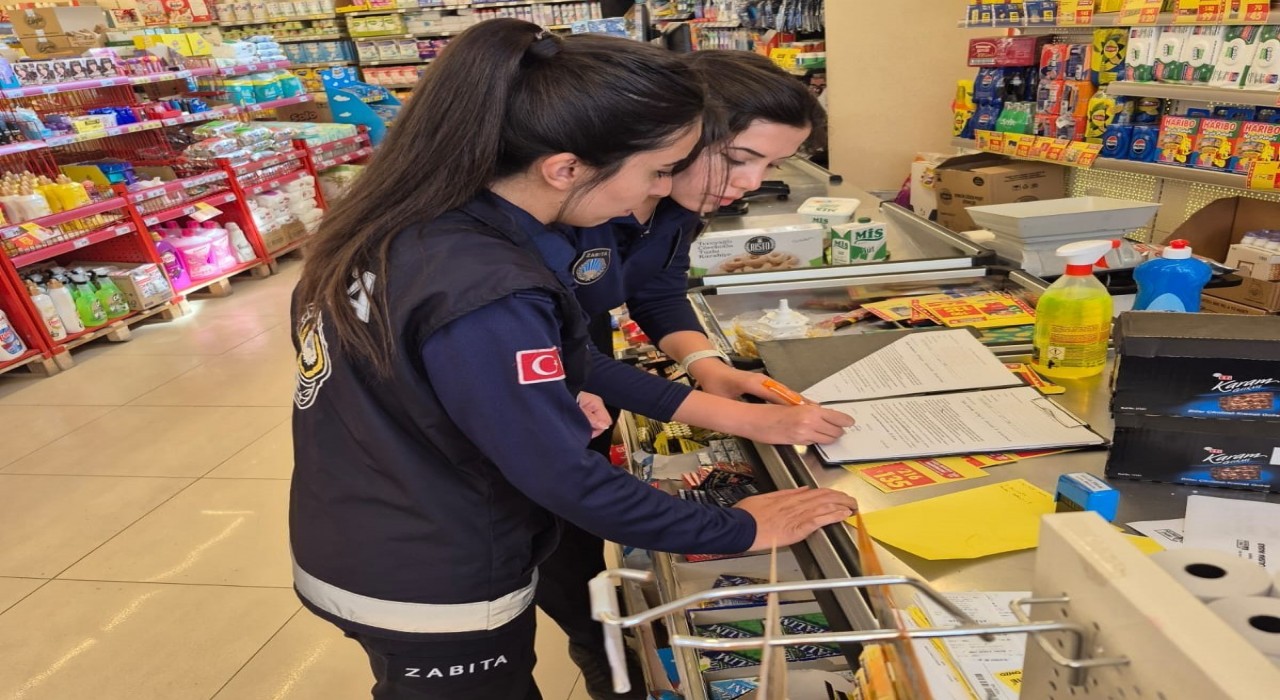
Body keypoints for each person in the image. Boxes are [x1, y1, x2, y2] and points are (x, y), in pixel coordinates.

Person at [288, 20, 858, 700]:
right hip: (434, 570)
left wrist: (527, 399)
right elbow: (563, 477)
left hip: (363, 523)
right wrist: (737, 526)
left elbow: (424, 380)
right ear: (565, 168)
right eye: (658, 170)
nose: (659, 189)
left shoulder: (410, 224)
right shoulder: (492, 283)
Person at [533, 50, 844, 699]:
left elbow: (657, 288)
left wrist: (707, 366)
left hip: (584, 387)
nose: (751, 182)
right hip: (535, 395)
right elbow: (563, 355)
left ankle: (607, 633)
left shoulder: (674, 201)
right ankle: (596, 646)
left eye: (770, 165)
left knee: (582, 515)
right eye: (739, 158)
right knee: (552, 531)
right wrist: (734, 417)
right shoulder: (579, 206)